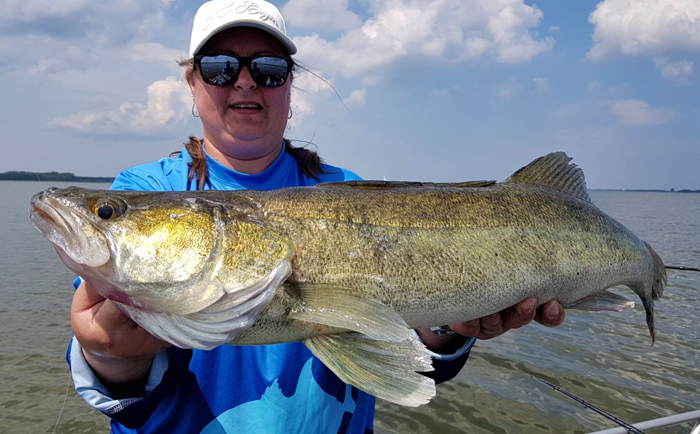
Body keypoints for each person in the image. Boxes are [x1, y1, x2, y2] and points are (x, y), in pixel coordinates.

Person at [68, 1, 565, 433]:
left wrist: (452, 324)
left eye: (268, 69)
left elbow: (408, 348)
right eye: (220, 67)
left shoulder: (345, 187)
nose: (245, 81)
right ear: (192, 82)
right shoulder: (143, 189)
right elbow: (121, 387)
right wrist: (111, 355)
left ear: (289, 84)